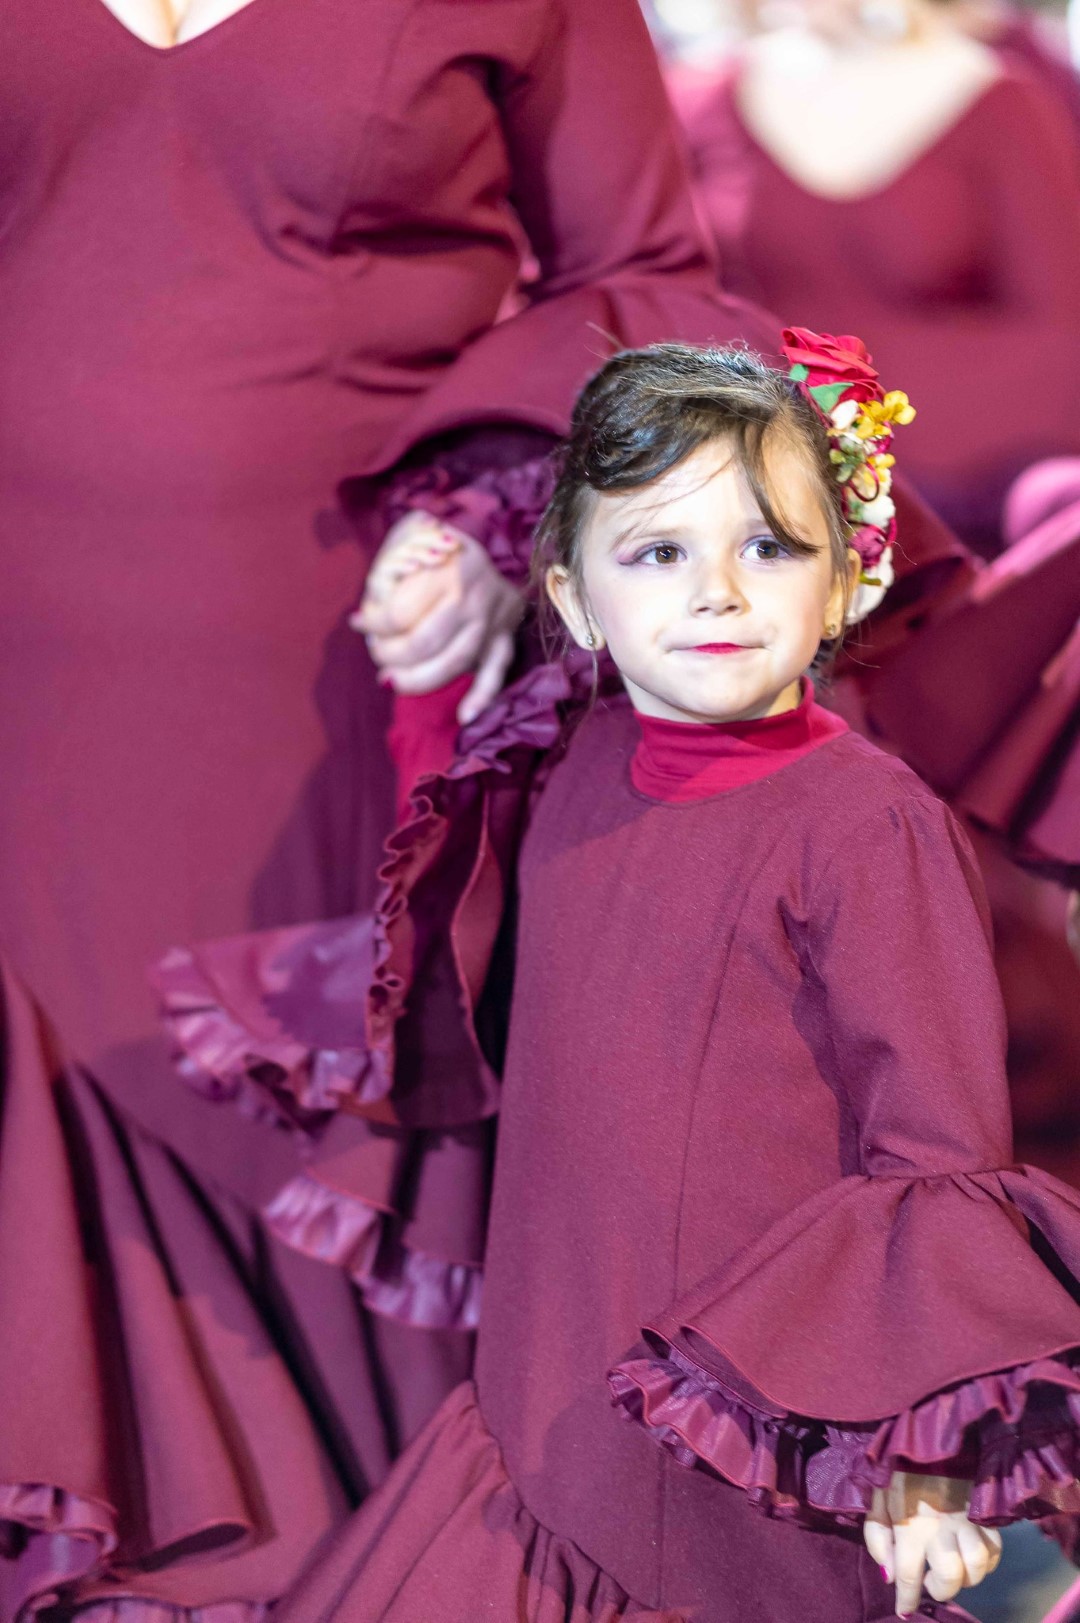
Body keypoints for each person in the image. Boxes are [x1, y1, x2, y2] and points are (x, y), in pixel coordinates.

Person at [0, 2, 789, 1616]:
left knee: (296, 1141)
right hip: (24, 668)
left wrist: (498, 499)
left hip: (341, 658)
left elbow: (644, 272)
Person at [162, 332, 1080, 1621]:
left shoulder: (865, 826)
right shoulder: (571, 763)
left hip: (721, 1450)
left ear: (845, 582)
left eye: (770, 547)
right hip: (541, 1402)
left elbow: (936, 1160)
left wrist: (920, 1461)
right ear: (578, 599)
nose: (719, 593)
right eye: (659, 553)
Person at [672, 0, 1080, 556]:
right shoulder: (696, 99)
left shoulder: (995, 98)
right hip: (745, 460)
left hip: (956, 481)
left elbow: (1060, 331)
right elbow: (669, 299)